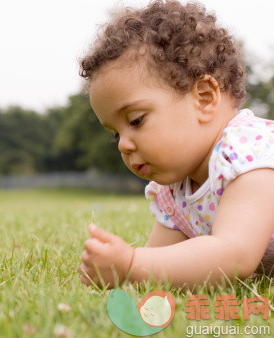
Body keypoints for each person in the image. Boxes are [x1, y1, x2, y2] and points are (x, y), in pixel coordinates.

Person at [78, 0, 274, 288]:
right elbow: (165, 261)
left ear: (204, 99)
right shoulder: (175, 191)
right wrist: (118, 269)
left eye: (135, 120)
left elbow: (235, 254)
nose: (123, 145)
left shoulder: (248, 153)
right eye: (115, 133)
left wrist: (133, 265)